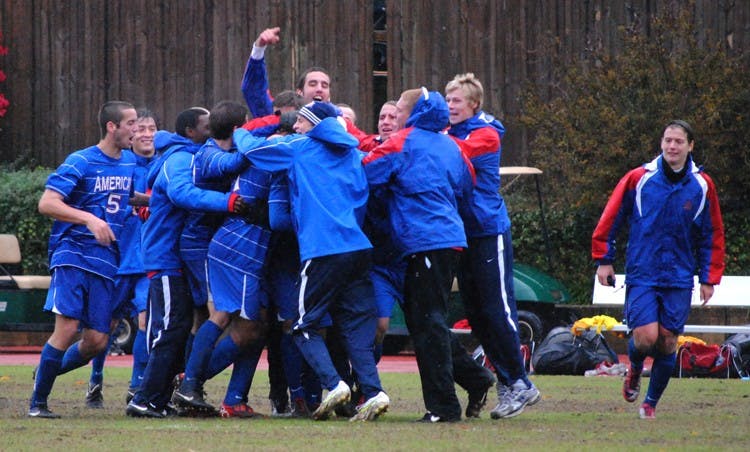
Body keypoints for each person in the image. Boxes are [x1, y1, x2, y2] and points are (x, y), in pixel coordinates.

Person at [234, 101, 389, 422]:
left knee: (303, 325)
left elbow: (252, 151)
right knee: (357, 329)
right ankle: (374, 392)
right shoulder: (354, 153)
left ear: (313, 123)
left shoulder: (299, 146)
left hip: (321, 250)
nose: (296, 127)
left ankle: (334, 385)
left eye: (301, 122)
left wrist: (240, 132)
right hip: (359, 248)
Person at [362, 88, 493, 423]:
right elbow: (467, 187)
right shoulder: (452, 146)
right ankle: (475, 379)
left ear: (414, 113)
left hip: (423, 241)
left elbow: (366, 173)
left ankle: (443, 407)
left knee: (428, 324)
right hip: (448, 240)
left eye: (401, 111)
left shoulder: (402, 142)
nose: (395, 117)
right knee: (428, 320)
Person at [592, 120, 725, 419]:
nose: (672, 147)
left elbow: (712, 234)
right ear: (661, 144)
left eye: (678, 141)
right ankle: (636, 368)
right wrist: (604, 257)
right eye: (667, 140)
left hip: (678, 275)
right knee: (645, 337)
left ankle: (650, 403)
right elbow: (611, 216)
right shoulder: (639, 179)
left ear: (690, 146)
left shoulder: (703, 185)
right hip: (643, 271)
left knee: (667, 340)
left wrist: (709, 278)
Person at [126, 108, 250, 418]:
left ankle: (157, 397)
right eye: (206, 126)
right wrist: (227, 203)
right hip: (164, 257)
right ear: (190, 131)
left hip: (175, 256)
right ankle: (144, 398)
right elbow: (183, 195)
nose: (212, 131)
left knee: (179, 327)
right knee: (169, 328)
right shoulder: (179, 159)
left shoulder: (188, 155)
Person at [29, 101, 139, 418]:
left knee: (97, 340)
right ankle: (38, 404)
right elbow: (47, 203)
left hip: (106, 261)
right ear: (111, 127)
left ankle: (45, 374)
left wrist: (155, 202)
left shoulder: (129, 164)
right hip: (73, 254)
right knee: (66, 329)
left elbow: (121, 200)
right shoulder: (81, 161)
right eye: (130, 123)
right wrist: (89, 219)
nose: (135, 129)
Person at [445, 73, 540, 419]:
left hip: (488, 230)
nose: (450, 106)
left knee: (499, 310)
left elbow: (454, 155)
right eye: (447, 100)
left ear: (473, 104)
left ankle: (521, 382)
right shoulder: (449, 132)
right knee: (478, 315)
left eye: (456, 101)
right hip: (462, 234)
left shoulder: (484, 134)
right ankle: (509, 381)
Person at [172, 100, 268, 418]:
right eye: (248, 123)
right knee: (222, 314)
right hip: (202, 243)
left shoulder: (223, 149)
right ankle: (186, 384)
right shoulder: (210, 154)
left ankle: (196, 385)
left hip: (217, 239)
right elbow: (233, 165)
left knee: (240, 321)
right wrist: (263, 137)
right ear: (238, 127)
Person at [85, 109, 160, 408]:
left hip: (147, 261)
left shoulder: (163, 165)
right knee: (103, 329)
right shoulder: (121, 166)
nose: (146, 133)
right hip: (116, 258)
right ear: (129, 134)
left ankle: (136, 386)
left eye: (151, 128)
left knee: (146, 321)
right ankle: (96, 379)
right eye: (139, 128)